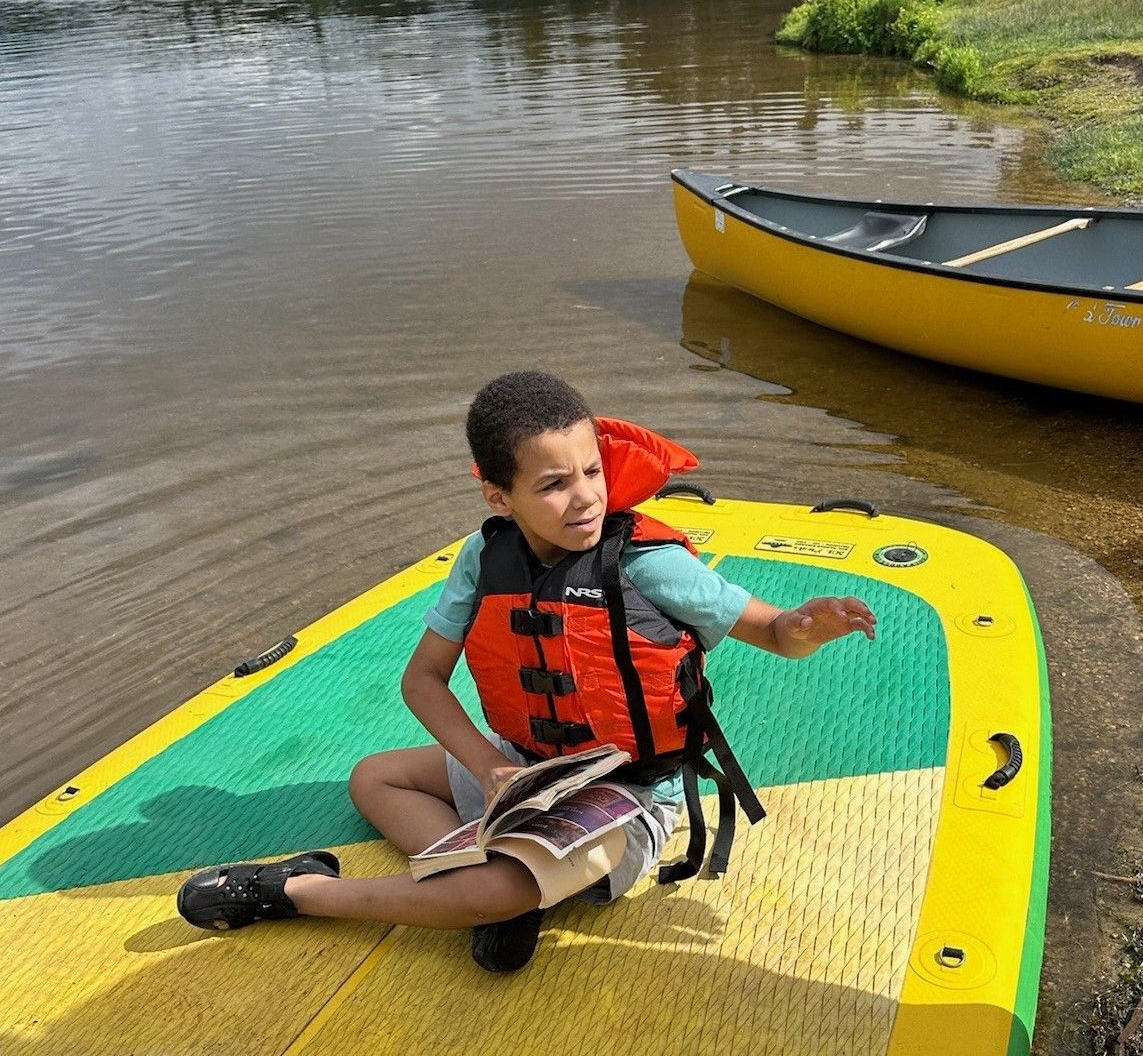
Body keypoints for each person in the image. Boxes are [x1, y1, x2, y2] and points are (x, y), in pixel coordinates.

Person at [177, 371, 876, 973]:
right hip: (523, 769)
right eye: (553, 483)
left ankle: (301, 890)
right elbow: (421, 680)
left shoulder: (645, 562)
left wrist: (808, 624)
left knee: (503, 887)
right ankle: (482, 887)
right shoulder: (485, 560)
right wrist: (488, 767)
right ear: (496, 495)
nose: (585, 498)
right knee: (373, 775)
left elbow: (775, 632)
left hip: (626, 796)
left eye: (591, 472)